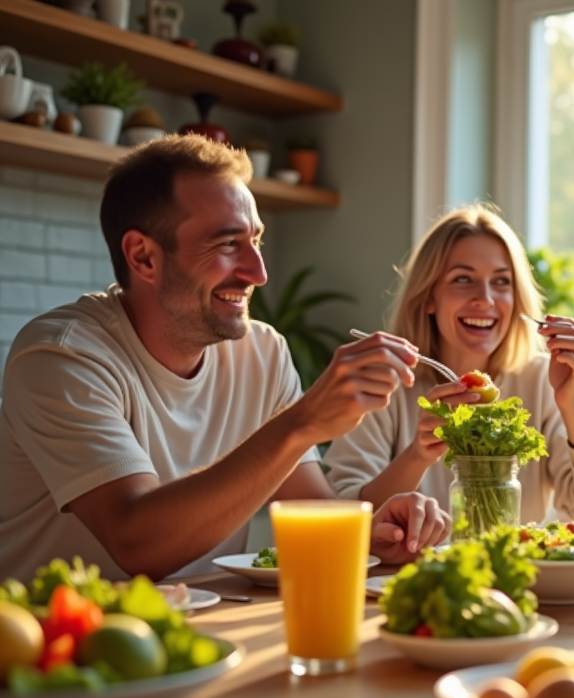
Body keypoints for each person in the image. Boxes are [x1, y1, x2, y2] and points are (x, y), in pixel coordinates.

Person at [0, 136, 449, 584]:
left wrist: (376, 533)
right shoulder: (62, 356)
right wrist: (304, 421)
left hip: (208, 618)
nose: (259, 273)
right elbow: (137, 544)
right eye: (229, 244)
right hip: (59, 627)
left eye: (256, 240)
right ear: (143, 257)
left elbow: (311, 511)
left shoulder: (262, 352)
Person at [324, 205, 574, 524]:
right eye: (462, 279)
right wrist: (417, 456)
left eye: (501, 281)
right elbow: (342, 513)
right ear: (428, 297)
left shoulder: (542, 380)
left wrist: (572, 406)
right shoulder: (382, 386)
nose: (485, 299)